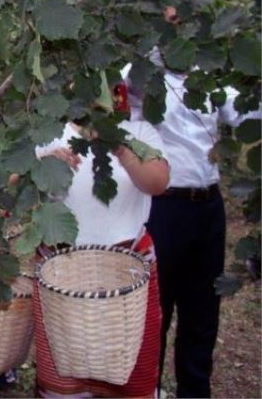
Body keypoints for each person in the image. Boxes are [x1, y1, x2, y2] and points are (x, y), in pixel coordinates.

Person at [123, 49, 261, 397]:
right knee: (156, 310)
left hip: (208, 207)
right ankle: (146, 390)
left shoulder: (207, 77)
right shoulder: (140, 75)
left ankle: (195, 390)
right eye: (172, 20)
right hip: (164, 209)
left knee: (202, 310)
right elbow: (113, 100)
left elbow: (242, 111)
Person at [31, 86, 170, 397]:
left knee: (130, 375)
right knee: (63, 382)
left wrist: (121, 148)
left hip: (128, 274)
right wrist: (43, 167)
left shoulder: (138, 131)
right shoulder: (48, 133)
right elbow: (12, 188)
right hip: (62, 274)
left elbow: (158, 182)